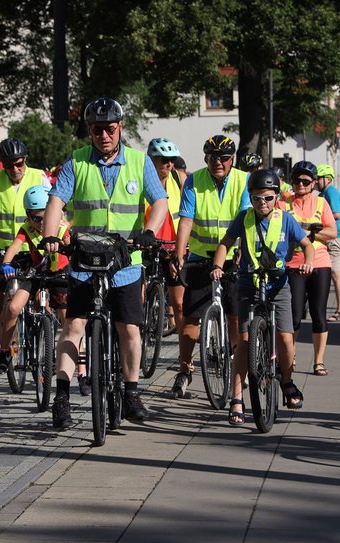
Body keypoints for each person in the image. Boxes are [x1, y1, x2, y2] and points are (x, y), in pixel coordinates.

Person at [41, 97, 169, 429]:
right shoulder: (77, 162)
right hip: (86, 259)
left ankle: (131, 392)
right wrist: (51, 235)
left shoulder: (140, 163)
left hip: (127, 260)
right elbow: (56, 200)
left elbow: (159, 202)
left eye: (110, 129)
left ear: (120, 128)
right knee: (75, 326)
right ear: (90, 131)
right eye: (97, 130)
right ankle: (62, 398)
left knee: (129, 327)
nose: (104, 136)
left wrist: (149, 231)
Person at [210, 169, 314, 424]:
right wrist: (218, 265)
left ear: (277, 197)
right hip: (249, 284)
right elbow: (225, 243)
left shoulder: (286, 219)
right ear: (251, 198)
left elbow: (307, 245)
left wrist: (308, 262)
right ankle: (237, 397)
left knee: (286, 339)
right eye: (257, 198)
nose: (262, 203)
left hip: (279, 285)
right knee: (244, 342)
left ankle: (287, 382)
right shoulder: (244, 218)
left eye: (268, 198)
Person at [0, 138, 50, 390]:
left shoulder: (40, 178)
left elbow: (58, 209)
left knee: (41, 299)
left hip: (34, 249)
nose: (15, 169)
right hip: (1, 252)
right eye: (9, 165)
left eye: (19, 163)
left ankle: (44, 349)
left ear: (25, 160)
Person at [169, 134, 247, 398]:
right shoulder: (194, 180)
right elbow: (186, 221)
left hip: (233, 255)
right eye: (213, 157)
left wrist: (243, 252)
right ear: (206, 159)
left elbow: (247, 220)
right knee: (191, 316)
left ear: (232, 159)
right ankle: (184, 369)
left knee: (235, 315)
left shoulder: (243, 180)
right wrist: (179, 255)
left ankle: (238, 365)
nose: (218, 162)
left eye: (224, 158)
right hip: (201, 256)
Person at [0, 185, 70, 365]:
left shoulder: (61, 228)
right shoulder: (26, 229)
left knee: (67, 318)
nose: (41, 223)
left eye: (45, 217)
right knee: (13, 308)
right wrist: (6, 264)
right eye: (35, 218)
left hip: (60, 275)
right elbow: (14, 247)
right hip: (37, 274)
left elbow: (70, 247)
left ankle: (78, 367)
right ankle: (5, 352)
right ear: (28, 215)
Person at [285, 161, 336, 376]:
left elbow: (332, 232)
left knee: (319, 314)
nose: (301, 185)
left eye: (306, 181)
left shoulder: (321, 203)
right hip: (293, 262)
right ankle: (290, 357)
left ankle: (319, 361)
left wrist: (311, 234)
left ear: (314, 183)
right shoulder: (283, 202)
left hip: (319, 263)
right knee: (294, 315)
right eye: (296, 180)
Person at [145, 137, 185, 334]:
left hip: (172, 244)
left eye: (172, 159)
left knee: (179, 303)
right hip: (145, 243)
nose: (169, 164)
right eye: (163, 159)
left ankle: (184, 355)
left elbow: (190, 213)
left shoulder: (178, 178)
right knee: (139, 297)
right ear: (151, 159)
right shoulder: (139, 177)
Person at [316, 164, 340, 321]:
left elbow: (335, 214)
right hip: (332, 236)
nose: (315, 181)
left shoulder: (331, 192)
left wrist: (318, 221)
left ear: (327, 179)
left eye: (318, 178)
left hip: (336, 237)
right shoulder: (324, 192)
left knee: (336, 274)